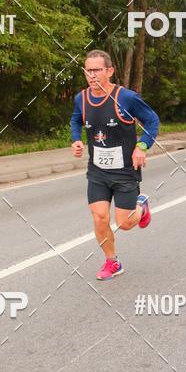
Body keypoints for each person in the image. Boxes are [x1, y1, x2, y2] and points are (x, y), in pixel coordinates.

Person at [70, 50, 160, 280]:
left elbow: (152, 119)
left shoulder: (126, 97)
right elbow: (75, 118)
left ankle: (141, 206)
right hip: (97, 171)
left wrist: (142, 146)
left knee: (125, 223)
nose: (92, 75)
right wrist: (76, 139)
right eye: (88, 70)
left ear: (109, 71)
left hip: (124, 171)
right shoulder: (81, 98)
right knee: (99, 216)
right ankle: (112, 262)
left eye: (97, 70)